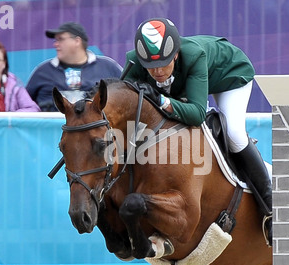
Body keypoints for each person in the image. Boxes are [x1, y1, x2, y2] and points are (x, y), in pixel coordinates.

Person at [122, 18, 272, 243]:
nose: (158, 71)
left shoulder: (193, 55)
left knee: (234, 134)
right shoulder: (134, 62)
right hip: (189, 83)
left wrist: (162, 100)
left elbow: (196, 113)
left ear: (175, 54)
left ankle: (272, 209)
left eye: (164, 63)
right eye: (151, 67)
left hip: (229, 75)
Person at [26, 22, 123, 111]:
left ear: (77, 41)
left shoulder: (108, 67)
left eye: (60, 39)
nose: (55, 44)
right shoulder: (42, 71)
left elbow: (129, 96)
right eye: (56, 40)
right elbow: (25, 105)